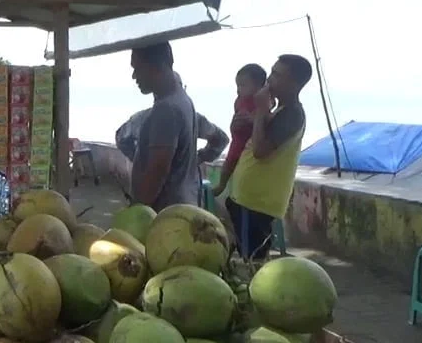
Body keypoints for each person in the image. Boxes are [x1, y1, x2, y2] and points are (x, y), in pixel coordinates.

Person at [226, 54, 312, 261]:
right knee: (246, 254)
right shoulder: (280, 110)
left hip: (257, 203)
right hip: (247, 198)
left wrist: (262, 110)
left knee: (253, 260)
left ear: (293, 83)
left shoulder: (292, 114)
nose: (269, 79)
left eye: (276, 74)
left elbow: (260, 150)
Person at [128, 42, 228, 211]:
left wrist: (138, 209)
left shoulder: (166, 109)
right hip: (184, 203)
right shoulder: (182, 99)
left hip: (164, 213)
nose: (133, 76)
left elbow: (157, 171)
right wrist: (198, 157)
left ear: (156, 66)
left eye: (137, 68)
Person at [212, 63, 268, 197]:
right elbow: (236, 117)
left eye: (243, 85)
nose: (238, 89)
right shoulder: (239, 101)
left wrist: (252, 119)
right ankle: (221, 184)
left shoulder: (262, 101)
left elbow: (266, 119)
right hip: (238, 140)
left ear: (259, 86)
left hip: (250, 143)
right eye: (237, 85)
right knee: (229, 162)